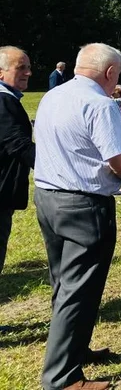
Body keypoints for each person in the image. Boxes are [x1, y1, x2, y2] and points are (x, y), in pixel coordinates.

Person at [33, 43, 121, 390]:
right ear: (110, 72)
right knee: (79, 289)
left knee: (64, 284)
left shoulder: (52, 96)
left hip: (48, 197)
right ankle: (63, 377)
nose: (117, 82)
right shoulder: (100, 105)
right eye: (118, 75)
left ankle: (73, 350)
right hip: (83, 204)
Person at [0, 46, 35, 275]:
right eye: (21, 67)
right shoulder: (4, 101)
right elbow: (18, 145)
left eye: (29, 67)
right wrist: (58, 166)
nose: (28, 73)